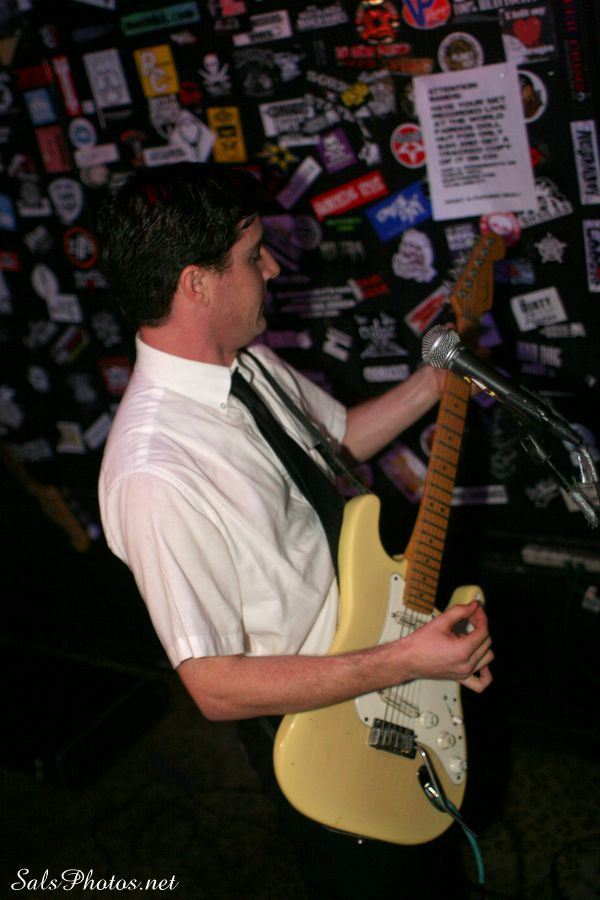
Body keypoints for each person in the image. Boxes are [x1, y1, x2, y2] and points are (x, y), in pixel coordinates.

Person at [96, 162, 493, 898]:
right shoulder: (155, 472)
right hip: (321, 735)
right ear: (196, 284)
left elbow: (338, 441)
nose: (274, 268)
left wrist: (437, 381)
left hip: (379, 657)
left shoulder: (246, 363)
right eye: (254, 255)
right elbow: (213, 686)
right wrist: (404, 660)